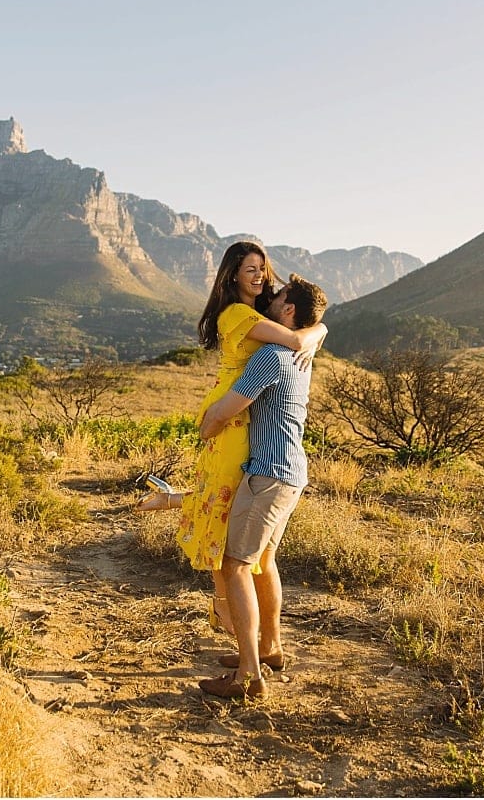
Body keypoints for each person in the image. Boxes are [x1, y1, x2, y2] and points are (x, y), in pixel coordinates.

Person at [135, 241, 326, 637]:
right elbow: (295, 338)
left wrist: (318, 328)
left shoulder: (264, 311)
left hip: (245, 417)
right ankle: (248, 640)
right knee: (229, 525)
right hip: (235, 414)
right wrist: (316, 332)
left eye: (263, 268)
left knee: (238, 535)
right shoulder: (237, 313)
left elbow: (301, 322)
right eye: (250, 269)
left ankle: (254, 645)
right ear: (233, 274)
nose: (260, 277)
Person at [195, 274, 328, 699]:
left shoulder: (272, 355)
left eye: (281, 296)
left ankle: (248, 676)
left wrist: (206, 425)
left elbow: (229, 408)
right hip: (291, 471)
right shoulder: (301, 354)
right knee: (263, 561)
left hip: (267, 475)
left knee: (235, 565)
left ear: (289, 311)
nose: (271, 297)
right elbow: (316, 329)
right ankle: (269, 648)